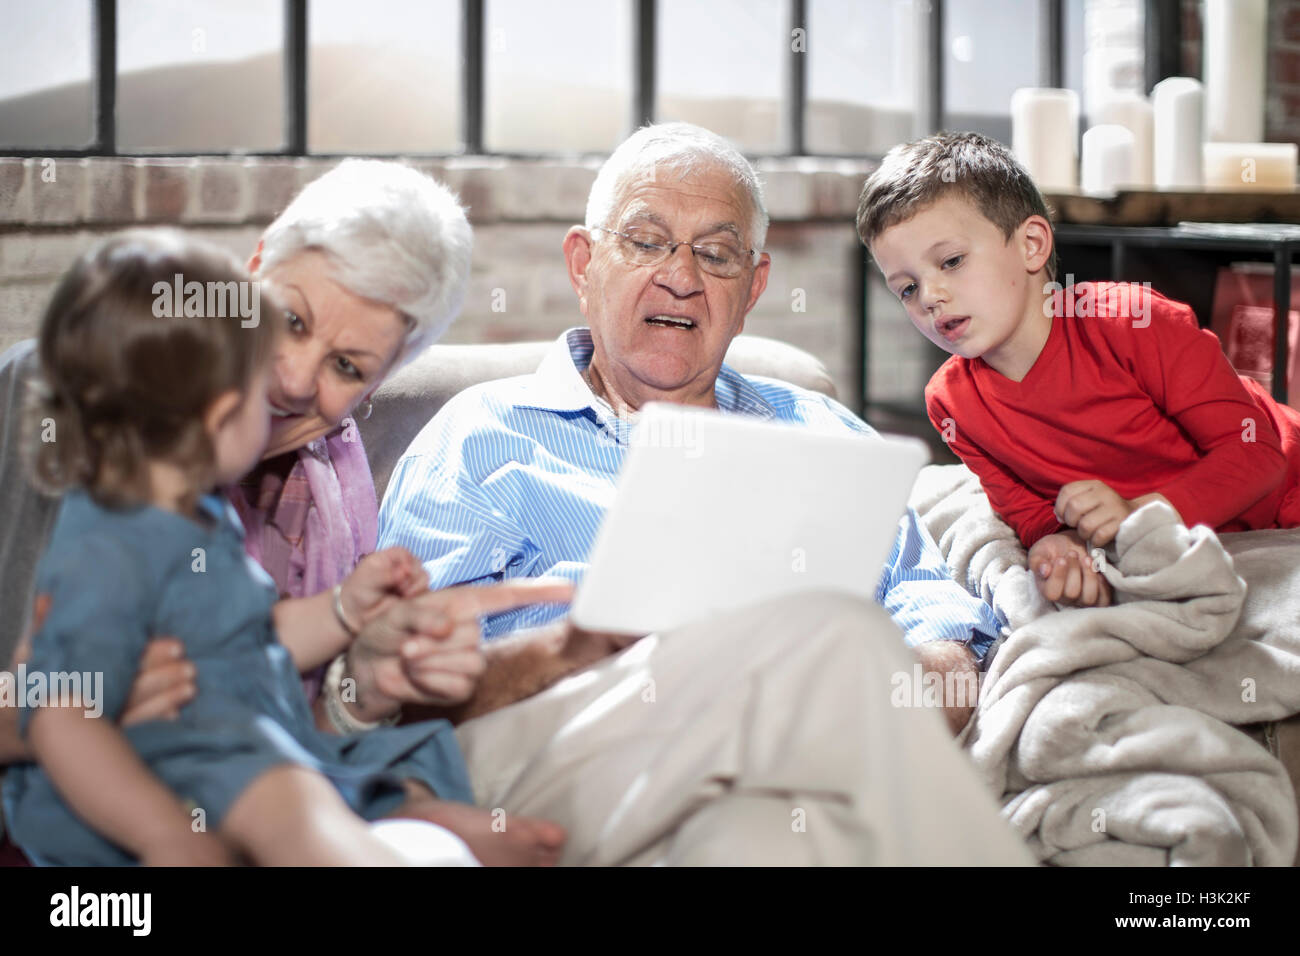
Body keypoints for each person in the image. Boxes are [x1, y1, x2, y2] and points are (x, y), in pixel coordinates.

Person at [375, 123, 1033, 865]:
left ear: (752, 288)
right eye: (648, 241)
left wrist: (892, 683)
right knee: (835, 629)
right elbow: (404, 698)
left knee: (760, 840)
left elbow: (938, 627)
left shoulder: (822, 433)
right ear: (583, 264)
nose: (681, 276)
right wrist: (579, 650)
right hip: (544, 761)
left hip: (778, 768)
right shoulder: (479, 434)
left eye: (716, 254)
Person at [0, 161, 568, 865]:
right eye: (289, 320)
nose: (294, 380)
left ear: (377, 387)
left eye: (348, 367)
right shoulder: (82, 419)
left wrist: (358, 660)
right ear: (255, 265)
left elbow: (259, 665)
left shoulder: (284, 493)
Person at [857, 131, 1300, 609]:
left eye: (951, 261)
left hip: (1284, 494)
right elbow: (1030, 515)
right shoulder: (951, 402)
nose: (930, 296)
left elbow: (1258, 455)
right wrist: (1058, 544)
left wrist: (1138, 516)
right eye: (906, 288)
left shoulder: (1131, 322)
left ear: (1030, 245)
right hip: (1191, 538)